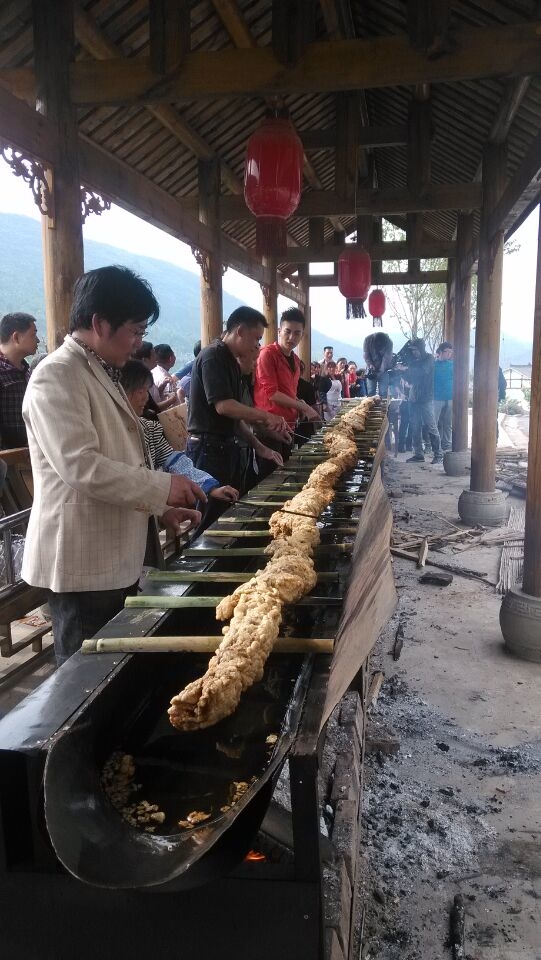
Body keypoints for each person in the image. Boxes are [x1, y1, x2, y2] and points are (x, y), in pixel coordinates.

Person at [21, 266, 205, 665]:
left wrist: (161, 507)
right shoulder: (56, 375)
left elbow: (122, 457)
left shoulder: (101, 370)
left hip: (114, 555)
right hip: (84, 561)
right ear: (99, 323)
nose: (140, 342)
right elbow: (81, 466)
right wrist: (161, 487)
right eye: (135, 331)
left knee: (112, 673)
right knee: (84, 685)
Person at [186, 306, 291, 492]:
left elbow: (234, 418)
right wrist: (266, 417)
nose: (257, 345)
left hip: (225, 447)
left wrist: (259, 446)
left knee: (227, 509)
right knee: (211, 512)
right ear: (240, 331)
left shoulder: (230, 360)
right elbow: (224, 406)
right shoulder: (214, 355)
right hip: (208, 448)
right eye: (257, 338)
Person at [120, 360, 239, 512]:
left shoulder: (148, 428)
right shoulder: (106, 429)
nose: (146, 398)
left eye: (146, 391)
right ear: (120, 391)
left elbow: (176, 462)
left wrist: (211, 487)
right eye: (140, 391)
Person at [254, 306, 319, 465]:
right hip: (268, 427)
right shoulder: (267, 354)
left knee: (286, 473)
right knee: (270, 478)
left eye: (297, 333)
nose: (291, 337)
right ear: (279, 331)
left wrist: (299, 405)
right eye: (287, 331)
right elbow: (273, 394)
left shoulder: (296, 361)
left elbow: (289, 392)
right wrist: (304, 407)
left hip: (288, 426)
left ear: (302, 335)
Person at [396, 337, 442, 464]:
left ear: (421, 349)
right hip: (413, 398)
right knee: (415, 426)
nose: (414, 352)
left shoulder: (429, 359)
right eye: (412, 350)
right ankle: (418, 454)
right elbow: (410, 379)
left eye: (416, 349)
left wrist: (405, 369)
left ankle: (438, 454)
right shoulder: (413, 361)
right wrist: (401, 371)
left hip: (426, 397)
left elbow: (423, 372)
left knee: (431, 426)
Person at [0, 312, 40, 448]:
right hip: (8, 459)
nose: (38, 340)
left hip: (29, 453)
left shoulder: (26, 371)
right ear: (16, 337)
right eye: (33, 334)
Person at [134, 340, 177, 415]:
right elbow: (152, 408)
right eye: (153, 355)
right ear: (145, 360)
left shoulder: (149, 375)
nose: (156, 358)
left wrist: (161, 388)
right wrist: (171, 400)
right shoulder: (141, 381)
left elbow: (154, 400)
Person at [433, 341, 453, 452]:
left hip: (450, 397)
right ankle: (435, 445)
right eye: (447, 352)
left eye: (451, 352)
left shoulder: (452, 365)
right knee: (435, 423)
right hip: (436, 398)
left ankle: (446, 444)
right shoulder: (433, 365)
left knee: (447, 423)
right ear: (440, 352)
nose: (449, 354)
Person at [295, 360, 320, 445]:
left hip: (304, 424)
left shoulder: (307, 386)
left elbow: (313, 407)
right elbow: (314, 408)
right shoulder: (307, 386)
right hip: (293, 424)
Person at [363, 332, 393, 397]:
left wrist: (381, 370)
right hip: (371, 370)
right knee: (371, 391)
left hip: (384, 370)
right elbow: (366, 355)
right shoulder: (367, 340)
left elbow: (387, 358)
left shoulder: (389, 342)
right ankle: (370, 406)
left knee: (383, 392)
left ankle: (384, 406)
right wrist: (370, 364)